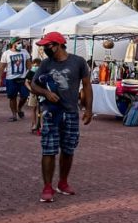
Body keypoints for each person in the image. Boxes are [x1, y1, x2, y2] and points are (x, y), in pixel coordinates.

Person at [29, 32, 92, 203]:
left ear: (57, 45)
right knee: (49, 149)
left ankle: (63, 182)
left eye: (47, 46)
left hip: (71, 111)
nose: (44, 49)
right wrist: (46, 93)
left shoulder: (78, 62)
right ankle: (47, 186)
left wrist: (88, 109)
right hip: (51, 112)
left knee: (68, 148)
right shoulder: (45, 64)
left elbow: (87, 86)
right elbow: (33, 84)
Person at [0, 39, 31, 123]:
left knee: (24, 96)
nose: (20, 44)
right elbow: (2, 66)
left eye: (21, 42)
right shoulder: (6, 53)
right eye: (18, 43)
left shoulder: (24, 52)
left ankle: (19, 108)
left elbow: (29, 65)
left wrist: (30, 75)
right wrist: (0, 78)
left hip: (23, 79)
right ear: (13, 44)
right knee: (12, 97)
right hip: (11, 79)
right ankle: (14, 114)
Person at [25, 57, 42, 134]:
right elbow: (26, 82)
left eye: (37, 65)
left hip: (42, 92)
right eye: (35, 65)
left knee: (42, 109)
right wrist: (31, 89)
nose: (36, 67)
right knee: (33, 108)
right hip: (33, 92)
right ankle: (33, 124)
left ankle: (41, 124)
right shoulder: (31, 72)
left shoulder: (42, 71)